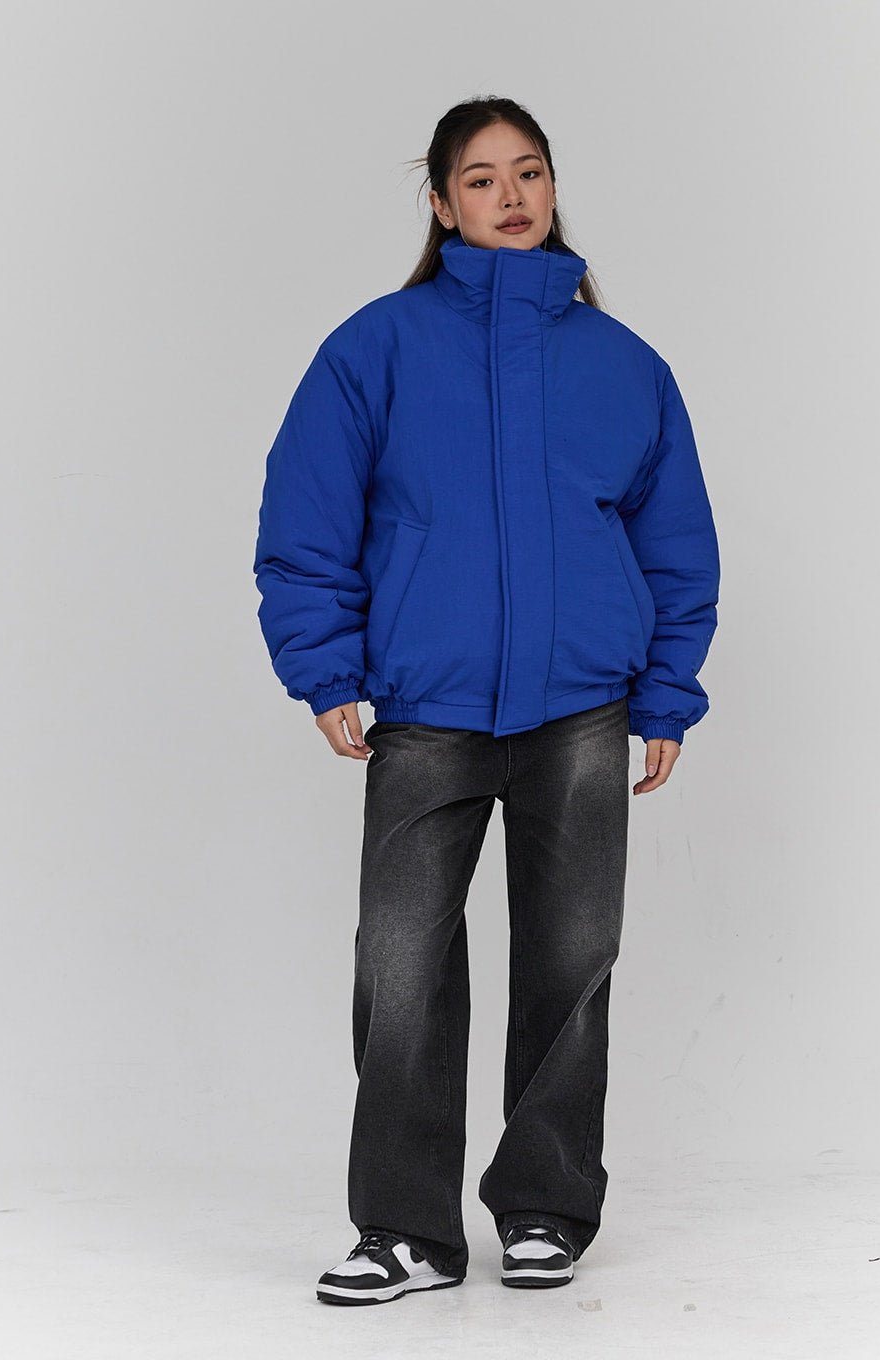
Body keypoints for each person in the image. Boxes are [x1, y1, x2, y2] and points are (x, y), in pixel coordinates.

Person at [253, 94, 721, 1306]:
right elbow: (307, 519)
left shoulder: (624, 364)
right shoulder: (376, 347)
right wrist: (326, 666)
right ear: (440, 202)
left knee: (572, 961)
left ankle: (545, 1208)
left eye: (529, 173)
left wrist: (664, 692)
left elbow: (674, 542)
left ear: (554, 187)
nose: (509, 196)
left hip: (582, 708)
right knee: (400, 965)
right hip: (428, 705)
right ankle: (406, 1230)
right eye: (480, 178)